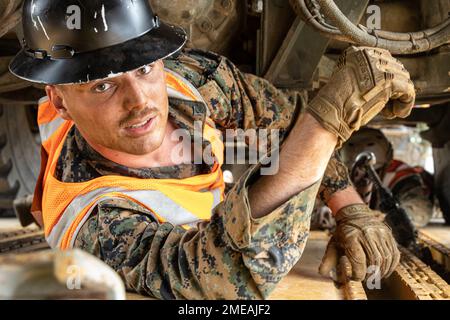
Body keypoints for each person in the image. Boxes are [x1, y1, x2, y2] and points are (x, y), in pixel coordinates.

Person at [9, 0, 415, 299]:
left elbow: (290, 121)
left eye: (144, 68)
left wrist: (351, 209)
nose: (140, 101)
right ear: (59, 101)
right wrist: (329, 118)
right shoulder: (91, 223)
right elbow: (227, 281)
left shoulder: (189, 81)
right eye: (103, 85)